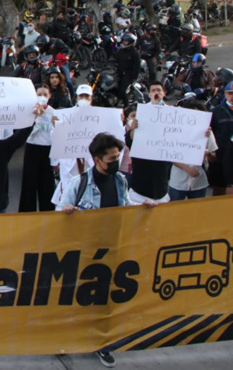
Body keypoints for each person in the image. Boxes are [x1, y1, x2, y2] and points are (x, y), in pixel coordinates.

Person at [55, 132, 138, 370]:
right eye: (111, 158)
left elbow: (127, 207)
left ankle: (102, 343)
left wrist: (144, 208)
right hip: (84, 251)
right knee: (75, 296)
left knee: (104, 300)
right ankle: (64, 338)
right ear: (97, 159)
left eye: (117, 157)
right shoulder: (78, 184)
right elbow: (59, 213)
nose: (116, 162)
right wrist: (66, 210)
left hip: (111, 249)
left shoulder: (121, 181)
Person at [125, 81, 172, 204]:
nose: (156, 93)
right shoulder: (140, 114)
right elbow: (129, 142)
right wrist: (134, 129)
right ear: (149, 94)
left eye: (159, 90)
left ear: (164, 93)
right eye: (153, 90)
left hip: (161, 184)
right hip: (140, 185)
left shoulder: (173, 115)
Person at [167, 100, 217, 201]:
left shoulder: (207, 132)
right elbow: (170, 155)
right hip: (178, 181)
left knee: (197, 212)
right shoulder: (176, 130)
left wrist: (208, 153)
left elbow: (213, 157)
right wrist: (187, 169)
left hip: (199, 181)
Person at [19, 86, 56, 212]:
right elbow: (28, 134)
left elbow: (56, 136)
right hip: (32, 149)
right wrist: (38, 117)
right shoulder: (29, 112)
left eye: (45, 94)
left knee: (47, 185)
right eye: (39, 94)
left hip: (48, 150)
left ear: (49, 96)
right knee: (29, 184)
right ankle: (26, 213)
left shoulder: (54, 113)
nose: (42, 97)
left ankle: (47, 212)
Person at [114, 33, 140, 107]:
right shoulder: (120, 51)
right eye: (124, 41)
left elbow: (137, 66)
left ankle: (126, 105)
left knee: (122, 90)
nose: (125, 43)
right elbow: (115, 60)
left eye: (127, 41)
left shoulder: (134, 53)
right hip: (119, 73)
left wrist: (134, 77)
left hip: (129, 74)